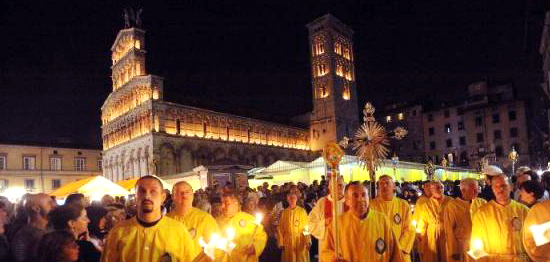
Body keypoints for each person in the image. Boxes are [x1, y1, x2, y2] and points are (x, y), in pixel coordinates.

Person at [101, 175, 199, 262]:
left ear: (163, 197)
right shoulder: (118, 232)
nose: (147, 196)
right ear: (135, 197)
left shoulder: (179, 231)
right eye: (142, 191)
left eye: (153, 191)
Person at [321, 181, 403, 262]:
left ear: (368, 198)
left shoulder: (382, 220)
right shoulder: (337, 224)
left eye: (364, 195)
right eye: (355, 196)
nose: (361, 199)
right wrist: (332, 258)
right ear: (347, 201)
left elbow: (395, 253)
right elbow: (325, 251)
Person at [470, 174, 530, 261]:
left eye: (503, 186)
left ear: (511, 187)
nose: (500, 189)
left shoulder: (524, 211)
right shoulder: (482, 213)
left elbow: (531, 240)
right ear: (492, 189)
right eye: (496, 186)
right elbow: (476, 244)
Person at [371, 175, 415, 262]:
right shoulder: (371, 205)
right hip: (379, 252)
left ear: (394, 186)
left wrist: (399, 249)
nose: (384, 186)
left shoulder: (403, 205)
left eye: (387, 183)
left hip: (401, 252)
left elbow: (410, 229)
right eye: (381, 184)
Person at [443, 178, 486, 262]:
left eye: (477, 189)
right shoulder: (452, 206)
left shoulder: (482, 203)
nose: (476, 192)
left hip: (480, 244)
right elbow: (449, 229)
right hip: (462, 245)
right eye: (473, 190)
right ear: (463, 190)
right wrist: (453, 250)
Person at [217, 190, 267, 262]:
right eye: (221, 203)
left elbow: (261, 237)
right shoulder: (216, 221)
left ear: (236, 203)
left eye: (226, 203)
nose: (222, 206)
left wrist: (255, 247)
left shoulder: (250, 220)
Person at [167, 181, 220, 248]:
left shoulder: (204, 219)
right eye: (180, 193)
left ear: (192, 194)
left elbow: (216, 247)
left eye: (187, 192)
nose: (184, 195)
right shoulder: (166, 220)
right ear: (173, 196)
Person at [308, 175, 345, 258]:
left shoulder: (350, 201)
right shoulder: (322, 202)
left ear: (344, 186)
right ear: (329, 187)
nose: (338, 188)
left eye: (340, 185)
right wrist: (324, 223)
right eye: (334, 185)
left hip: (346, 243)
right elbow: (310, 223)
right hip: (327, 244)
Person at [11, 193, 55, 262]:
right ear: (36, 208)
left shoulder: (49, 228)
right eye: (49, 203)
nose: (54, 205)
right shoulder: (24, 236)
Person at [415, 181, 451, 262]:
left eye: (442, 187)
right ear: (431, 190)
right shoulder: (426, 204)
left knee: (447, 255)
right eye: (437, 188)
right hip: (432, 234)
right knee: (433, 256)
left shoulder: (450, 201)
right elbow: (423, 222)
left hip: (447, 233)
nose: (440, 190)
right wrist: (420, 235)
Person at [276, 191, 310, 262]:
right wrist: (281, 242)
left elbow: (306, 227)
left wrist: (308, 240)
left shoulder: (302, 211)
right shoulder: (284, 212)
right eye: (290, 198)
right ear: (287, 199)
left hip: (300, 240)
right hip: (288, 241)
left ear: (296, 199)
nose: (292, 200)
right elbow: (280, 229)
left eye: (293, 198)